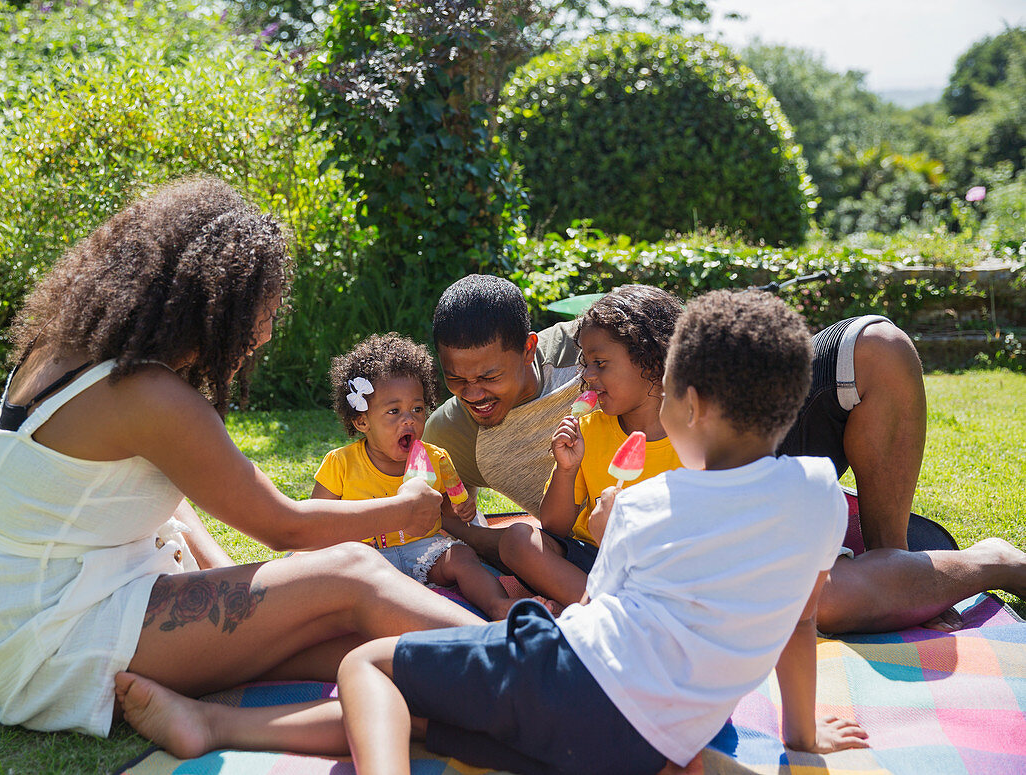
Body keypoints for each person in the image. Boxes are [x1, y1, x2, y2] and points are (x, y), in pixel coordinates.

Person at [0, 177, 484, 740]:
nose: (262, 336)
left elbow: (173, 512)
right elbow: (284, 527)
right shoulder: (148, 396)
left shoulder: (69, 354)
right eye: (259, 316)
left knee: (352, 643)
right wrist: (402, 509)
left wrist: (244, 590)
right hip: (59, 646)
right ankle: (539, 666)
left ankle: (223, 723)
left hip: (33, 620)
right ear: (212, 304)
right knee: (355, 572)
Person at [332, 289, 869, 775]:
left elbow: (611, 624)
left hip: (575, 687)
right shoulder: (823, 493)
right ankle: (242, 728)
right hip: (654, 743)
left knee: (366, 664)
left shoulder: (646, 506)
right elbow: (800, 623)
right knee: (431, 718)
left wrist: (615, 526)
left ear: (688, 400)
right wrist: (801, 738)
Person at [424, 275, 1026, 634]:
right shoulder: (468, 429)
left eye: (489, 375)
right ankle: (917, 569)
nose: (473, 392)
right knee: (815, 605)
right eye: (456, 380)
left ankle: (895, 557)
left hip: (728, 465)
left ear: (530, 348)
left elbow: (650, 328)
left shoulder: (584, 347)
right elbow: (473, 524)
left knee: (879, 344)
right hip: (654, 551)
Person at [312, 333, 523, 619]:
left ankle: (498, 605)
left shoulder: (437, 458)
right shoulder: (340, 463)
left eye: (417, 409)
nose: (409, 419)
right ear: (362, 421)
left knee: (462, 558)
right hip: (366, 558)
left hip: (423, 548)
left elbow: (448, 512)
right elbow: (318, 520)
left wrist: (463, 509)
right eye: (394, 411)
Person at [498, 285, 683, 607]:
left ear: (652, 363)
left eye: (600, 363)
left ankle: (610, 610)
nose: (587, 374)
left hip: (666, 567)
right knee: (517, 540)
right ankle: (603, 608)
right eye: (586, 363)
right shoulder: (590, 430)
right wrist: (567, 469)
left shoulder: (694, 438)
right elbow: (555, 526)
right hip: (593, 560)